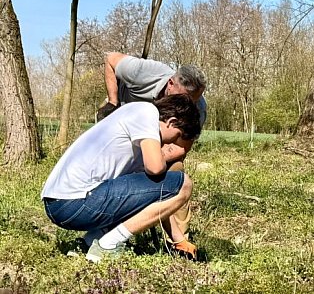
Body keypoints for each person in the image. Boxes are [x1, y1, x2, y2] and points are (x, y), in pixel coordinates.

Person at [41, 94, 202, 262]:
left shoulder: (133, 125)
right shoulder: (147, 112)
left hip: (61, 204)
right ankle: (107, 246)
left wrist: (179, 240)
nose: (172, 144)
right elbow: (156, 168)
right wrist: (167, 157)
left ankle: (88, 241)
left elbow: (155, 197)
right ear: (171, 122)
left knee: (147, 191)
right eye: (177, 137)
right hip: (74, 203)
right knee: (184, 184)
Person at [96, 52, 207, 252]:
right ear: (171, 83)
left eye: (194, 100)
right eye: (184, 98)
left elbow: (180, 148)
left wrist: (150, 157)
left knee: (176, 175)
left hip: (157, 150)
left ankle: (178, 242)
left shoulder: (198, 109)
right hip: (122, 139)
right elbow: (110, 59)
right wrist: (113, 102)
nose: (188, 105)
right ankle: (104, 230)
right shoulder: (143, 73)